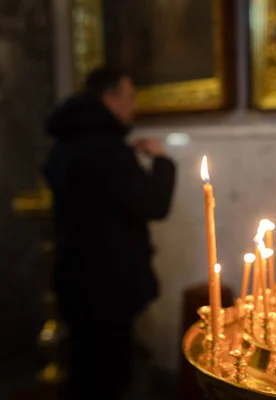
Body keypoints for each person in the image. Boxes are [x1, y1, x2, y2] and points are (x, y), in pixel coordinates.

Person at [43, 67, 176, 399]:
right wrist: (162, 161)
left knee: (84, 367)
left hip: (75, 278)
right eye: (130, 98)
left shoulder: (69, 142)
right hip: (108, 286)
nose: (134, 107)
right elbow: (153, 204)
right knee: (107, 377)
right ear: (110, 98)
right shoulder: (105, 148)